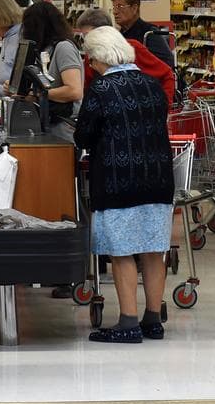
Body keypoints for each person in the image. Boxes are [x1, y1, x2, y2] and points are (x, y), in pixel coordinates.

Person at [74, 26, 174, 344]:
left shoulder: (102, 90)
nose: (90, 65)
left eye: (91, 59)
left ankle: (128, 322)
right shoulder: (152, 84)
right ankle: (152, 320)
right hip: (158, 179)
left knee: (122, 252)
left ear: (100, 58)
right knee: (153, 251)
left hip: (119, 182)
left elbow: (84, 136)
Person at [15, 1, 85, 142]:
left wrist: (37, 95)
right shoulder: (45, 50)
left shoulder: (63, 48)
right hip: (50, 123)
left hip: (64, 127)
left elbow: (74, 91)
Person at [75, 8, 175, 107]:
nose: (86, 41)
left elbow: (166, 74)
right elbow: (88, 87)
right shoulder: (91, 56)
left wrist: (165, 106)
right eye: (84, 36)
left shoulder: (133, 47)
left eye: (88, 35)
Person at [111, 0, 176, 72]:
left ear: (134, 8)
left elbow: (167, 63)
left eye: (120, 7)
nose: (115, 12)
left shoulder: (149, 33)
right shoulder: (120, 34)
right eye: (114, 7)